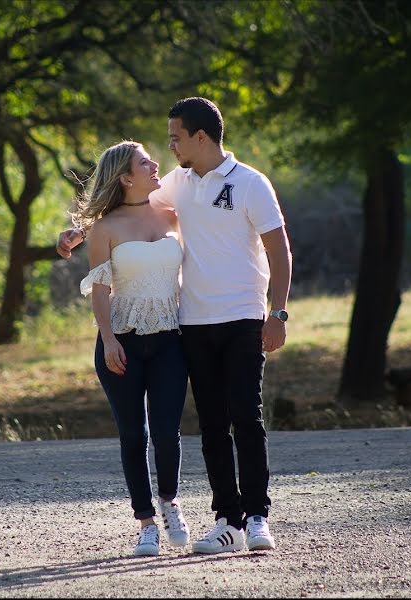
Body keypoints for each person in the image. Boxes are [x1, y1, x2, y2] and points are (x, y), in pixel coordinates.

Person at [58, 97, 292, 554]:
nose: (169, 147)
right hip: (192, 323)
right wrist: (77, 232)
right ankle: (228, 520)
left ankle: (258, 516)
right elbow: (127, 212)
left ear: (199, 137)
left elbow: (280, 250)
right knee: (211, 426)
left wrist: (277, 311)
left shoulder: (251, 184)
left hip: (245, 315)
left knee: (246, 416)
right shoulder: (177, 185)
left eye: (175, 138)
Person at [75, 140, 191, 557]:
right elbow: (101, 289)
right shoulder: (106, 229)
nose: (155, 163)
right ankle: (145, 523)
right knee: (132, 434)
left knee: (166, 430)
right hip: (120, 341)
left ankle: (170, 504)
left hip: (170, 340)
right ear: (126, 177)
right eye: (145, 162)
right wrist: (107, 339)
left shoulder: (175, 214)